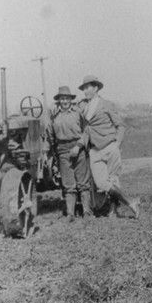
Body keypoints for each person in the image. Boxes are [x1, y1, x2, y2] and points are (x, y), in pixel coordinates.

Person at [70, 75, 140, 218]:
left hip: (110, 147)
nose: (85, 90)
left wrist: (117, 143)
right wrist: (78, 145)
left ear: (96, 88)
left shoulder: (107, 104)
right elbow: (86, 131)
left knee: (113, 179)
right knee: (101, 183)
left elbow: (120, 125)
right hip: (95, 151)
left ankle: (113, 211)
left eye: (87, 87)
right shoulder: (83, 107)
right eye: (83, 88)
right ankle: (131, 201)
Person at [46, 86, 92, 222]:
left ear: (71, 100)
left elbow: (86, 130)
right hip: (62, 150)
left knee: (83, 182)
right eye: (62, 98)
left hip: (78, 148)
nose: (64, 101)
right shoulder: (54, 115)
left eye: (67, 98)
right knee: (68, 183)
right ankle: (70, 214)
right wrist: (47, 151)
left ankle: (87, 212)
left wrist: (78, 146)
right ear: (58, 100)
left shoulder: (78, 112)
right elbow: (50, 135)